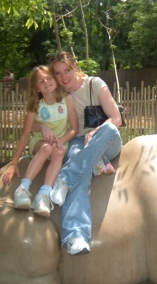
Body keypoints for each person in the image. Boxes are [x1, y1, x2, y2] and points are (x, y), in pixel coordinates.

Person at [36, 51, 122, 256]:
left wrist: (95, 131)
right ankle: (76, 237)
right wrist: (42, 129)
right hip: (78, 143)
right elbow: (35, 113)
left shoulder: (95, 84)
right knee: (80, 174)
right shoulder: (58, 93)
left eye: (67, 70)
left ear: (75, 66)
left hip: (104, 139)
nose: (64, 76)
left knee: (108, 130)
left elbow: (116, 118)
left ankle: (65, 178)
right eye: (58, 73)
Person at [2, 65, 78, 218]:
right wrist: (14, 163)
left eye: (49, 78)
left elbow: (74, 129)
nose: (46, 82)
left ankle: (44, 194)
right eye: (41, 81)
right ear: (36, 88)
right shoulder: (36, 105)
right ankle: (23, 189)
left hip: (60, 140)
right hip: (40, 142)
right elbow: (25, 134)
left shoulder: (66, 99)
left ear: (55, 80)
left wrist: (60, 141)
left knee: (58, 151)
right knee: (47, 149)